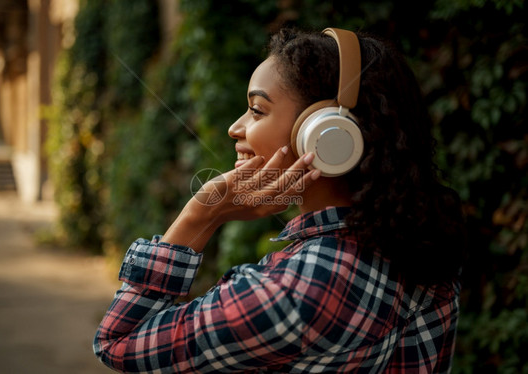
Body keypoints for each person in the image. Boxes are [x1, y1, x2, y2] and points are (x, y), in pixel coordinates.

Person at [94, 27, 466, 373]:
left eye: (257, 110)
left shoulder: (300, 288)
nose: (234, 128)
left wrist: (202, 213)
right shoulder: (414, 247)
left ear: (327, 133)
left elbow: (118, 341)